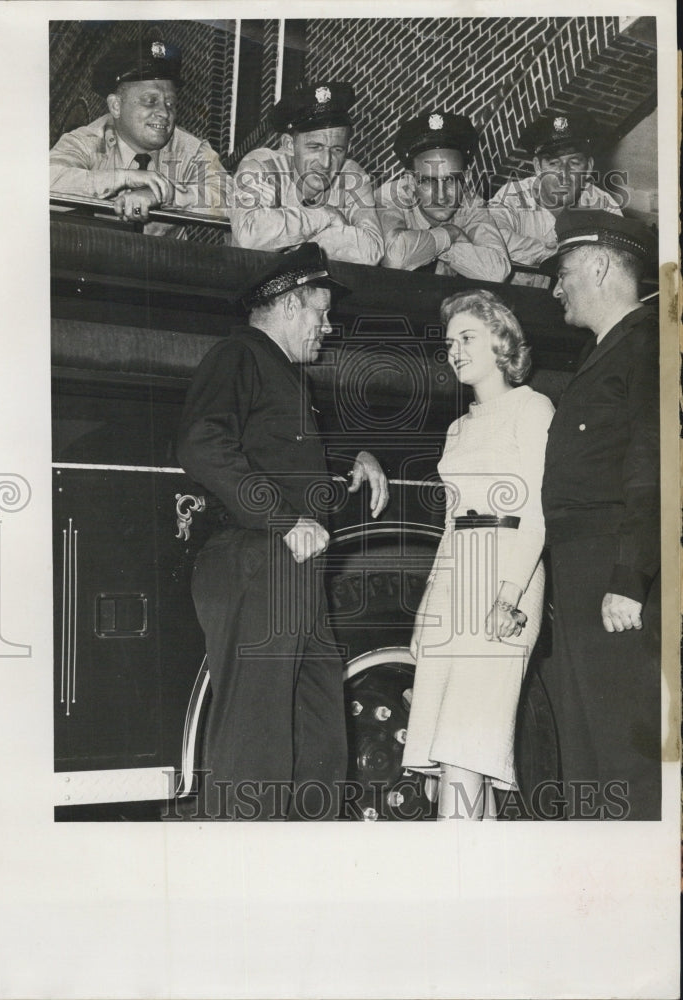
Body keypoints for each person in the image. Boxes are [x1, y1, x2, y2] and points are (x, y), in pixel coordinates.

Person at [177, 243, 389, 820]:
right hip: (257, 559)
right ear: (291, 305)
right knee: (257, 735)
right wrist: (284, 518)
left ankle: (307, 860)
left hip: (289, 567)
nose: (326, 328)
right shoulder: (239, 355)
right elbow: (202, 444)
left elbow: (281, 455)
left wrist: (356, 457)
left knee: (317, 724)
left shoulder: (282, 377)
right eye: (320, 314)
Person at [402, 289, 555, 820]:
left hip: (506, 577)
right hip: (456, 578)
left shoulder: (533, 409)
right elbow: (450, 524)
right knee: (451, 755)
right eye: (449, 343)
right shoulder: (458, 428)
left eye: (467, 338)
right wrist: (427, 610)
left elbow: (536, 512)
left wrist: (509, 596)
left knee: (467, 745)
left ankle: (454, 883)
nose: (455, 351)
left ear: (501, 342)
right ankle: (490, 876)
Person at [541, 209, 660, 820]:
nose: (556, 287)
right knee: (584, 752)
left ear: (599, 264)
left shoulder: (649, 343)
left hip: (613, 574)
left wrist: (628, 579)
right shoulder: (605, 351)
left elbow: (654, 468)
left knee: (623, 755)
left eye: (563, 272)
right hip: (583, 571)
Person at [50, 38, 231, 236]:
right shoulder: (87, 141)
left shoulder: (191, 150)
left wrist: (165, 195)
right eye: (150, 101)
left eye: (170, 103)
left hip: (164, 263)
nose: (163, 112)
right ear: (116, 106)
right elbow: (41, 183)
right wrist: (124, 178)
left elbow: (233, 198)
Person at [230, 82, 384, 265]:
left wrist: (285, 238)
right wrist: (324, 216)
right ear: (289, 145)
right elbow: (250, 236)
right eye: (315, 147)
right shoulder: (261, 165)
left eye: (337, 150)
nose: (326, 162)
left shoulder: (351, 175)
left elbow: (372, 250)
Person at [375, 112, 511, 282]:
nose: (441, 196)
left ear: (466, 178)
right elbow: (394, 258)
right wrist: (450, 233)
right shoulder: (390, 196)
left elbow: (497, 272)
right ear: (410, 181)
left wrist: (427, 246)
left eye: (450, 180)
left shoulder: (471, 206)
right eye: (428, 181)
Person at [488, 110, 622, 267]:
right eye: (553, 163)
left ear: (588, 168)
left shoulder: (603, 203)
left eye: (574, 162)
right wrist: (558, 255)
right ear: (538, 167)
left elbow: (619, 256)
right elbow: (493, 238)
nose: (564, 174)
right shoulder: (512, 196)